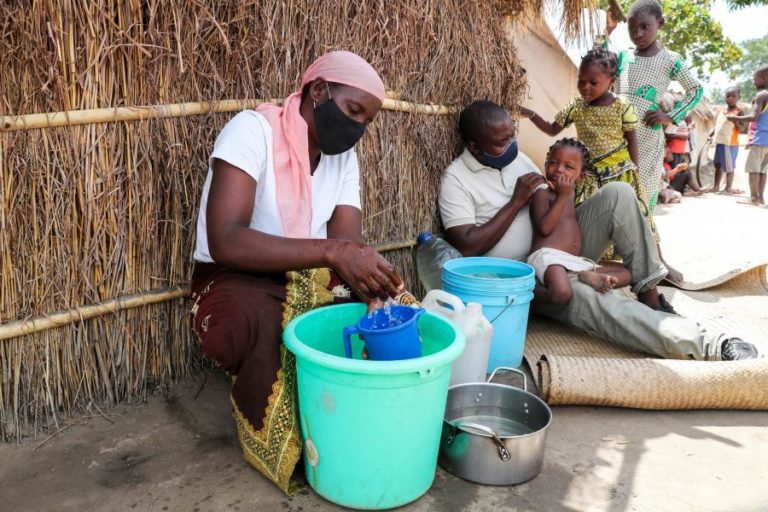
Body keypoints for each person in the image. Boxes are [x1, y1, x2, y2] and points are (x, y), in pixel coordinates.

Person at [189, 51, 404, 493]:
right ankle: (293, 443)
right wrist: (334, 253)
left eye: (367, 121)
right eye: (353, 111)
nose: (358, 129)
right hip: (232, 277)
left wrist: (374, 288)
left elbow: (347, 244)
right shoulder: (252, 132)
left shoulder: (343, 159)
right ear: (319, 91)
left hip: (307, 272)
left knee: (389, 310)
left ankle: (368, 426)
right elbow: (226, 239)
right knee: (263, 321)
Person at [438, 100, 758, 361]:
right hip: (530, 277)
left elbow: (555, 209)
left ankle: (649, 292)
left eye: (512, 136)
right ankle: (710, 345)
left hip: (559, 248)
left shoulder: (517, 158)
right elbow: (467, 247)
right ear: (474, 146)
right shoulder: (456, 180)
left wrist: (567, 204)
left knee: (618, 193)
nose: (511, 145)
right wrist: (516, 201)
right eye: (500, 141)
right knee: (602, 304)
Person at [603, 0, 704, 283]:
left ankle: (656, 261)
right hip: (615, 137)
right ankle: (614, 261)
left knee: (643, 199)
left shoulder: (670, 60)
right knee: (612, 195)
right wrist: (606, 32)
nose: (638, 33)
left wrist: (669, 116)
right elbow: (601, 73)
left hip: (647, 139)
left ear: (660, 24)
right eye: (633, 28)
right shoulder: (623, 56)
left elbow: (696, 91)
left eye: (645, 26)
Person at [520, 49, 652, 236]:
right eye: (581, 81)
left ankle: (645, 261)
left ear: (611, 82)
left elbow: (632, 141)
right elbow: (551, 129)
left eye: (593, 82)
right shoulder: (576, 106)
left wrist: (635, 172)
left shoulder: (622, 105)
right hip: (589, 179)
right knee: (592, 225)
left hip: (620, 174)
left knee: (631, 221)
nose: (585, 87)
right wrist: (531, 114)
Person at [528, 138, 631, 305]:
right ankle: (526, 292)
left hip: (572, 261)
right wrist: (562, 196)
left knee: (628, 273)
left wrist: (566, 195)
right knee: (562, 294)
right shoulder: (542, 192)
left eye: (568, 167)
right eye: (553, 163)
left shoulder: (570, 193)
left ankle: (590, 276)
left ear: (581, 176)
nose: (558, 170)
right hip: (547, 257)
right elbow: (544, 228)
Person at [727, 64, 768, 206]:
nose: (753, 81)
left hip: (760, 138)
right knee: (762, 170)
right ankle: (760, 198)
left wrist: (734, 119)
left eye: (755, 78)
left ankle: (753, 198)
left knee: (753, 169)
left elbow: (753, 117)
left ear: (764, 77)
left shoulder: (762, 95)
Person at [710, 86, 746, 194]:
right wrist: (711, 134)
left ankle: (728, 188)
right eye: (728, 96)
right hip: (720, 142)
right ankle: (716, 186)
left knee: (729, 167)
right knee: (718, 165)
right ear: (725, 98)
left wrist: (735, 120)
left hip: (730, 143)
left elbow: (743, 128)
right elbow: (718, 125)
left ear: (738, 97)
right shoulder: (722, 111)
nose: (730, 98)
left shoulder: (739, 111)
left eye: (733, 96)